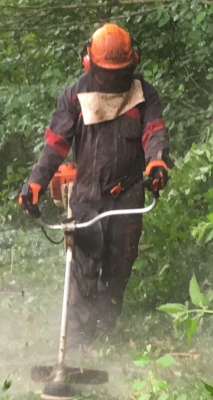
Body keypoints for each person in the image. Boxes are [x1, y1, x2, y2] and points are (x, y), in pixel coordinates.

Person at [15, 22, 169, 343]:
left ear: (133, 64)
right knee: (82, 272)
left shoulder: (143, 95)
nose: (113, 79)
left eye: (119, 72)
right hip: (86, 198)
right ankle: (74, 347)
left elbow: (153, 131)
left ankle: (103, 340)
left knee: (118, 271)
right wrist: (35, 184)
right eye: (107, 72)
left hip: (127, 197)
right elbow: (55, 144)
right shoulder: (75, 97)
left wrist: (156, 162)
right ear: (89, 64)